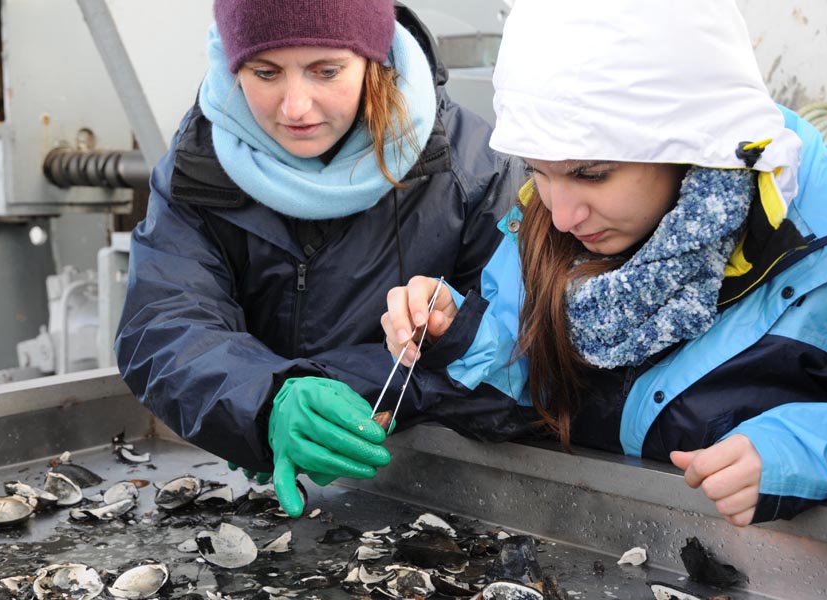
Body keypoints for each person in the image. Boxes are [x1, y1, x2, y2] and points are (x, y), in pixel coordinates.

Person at [382, 0, 827, 526]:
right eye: (540, 171)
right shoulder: (541, 221)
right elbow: (528, 400)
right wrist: (459, 334)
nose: (561, 217)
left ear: (698, 139)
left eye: (592, 173)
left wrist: (806, 451)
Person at [115, 0, 522, 517]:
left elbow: (520, 348)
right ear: (232, 64)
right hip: (252, 487)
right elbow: (164, 324)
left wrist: (338, 387)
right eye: (265, 72)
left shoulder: (472, 169)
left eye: (325, 71)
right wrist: (265, 402)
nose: (295, 107)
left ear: (374, 60)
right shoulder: (200, 166)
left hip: (437, 497)